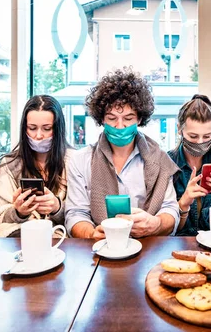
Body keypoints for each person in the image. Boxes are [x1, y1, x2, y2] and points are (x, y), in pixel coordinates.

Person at [65, 68, 180, 239]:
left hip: (147, 248)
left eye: (128, 118)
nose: (119, 126)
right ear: (101, 119)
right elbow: (75, 214)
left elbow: (171, 210)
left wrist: (156, 224)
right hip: (100, 251)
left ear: (139, 119)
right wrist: (91, 233)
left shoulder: (160, 159)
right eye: (112, 118)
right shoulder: (80, 160)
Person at [0, 95, 72, 237]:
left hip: (61, 241)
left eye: (47, 128)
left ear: (58, 128)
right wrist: (18, 212)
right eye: (32, 128)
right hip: (22, 239)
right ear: (24, 128)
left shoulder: (74, 161)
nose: (38, 135)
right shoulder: (10, 163)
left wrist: (57, 208)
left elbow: (82, 212)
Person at [168, 94, 211, 236]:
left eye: (207, 136)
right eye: (193, 136)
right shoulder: (167, 163)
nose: (200, 142)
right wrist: (184, 204)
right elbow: (169, 230)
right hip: (178, 243)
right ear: (179, 130)